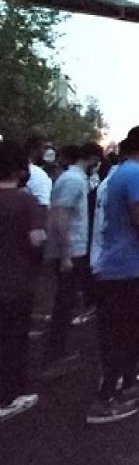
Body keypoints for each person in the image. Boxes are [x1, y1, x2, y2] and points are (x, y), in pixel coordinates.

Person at [90, 125, 139, 424]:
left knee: (127, 331)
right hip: (123, 268)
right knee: (119, 334)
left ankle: (129, 385)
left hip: (116, 265)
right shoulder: (136, 176)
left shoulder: (119, 174)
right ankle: (104, 399)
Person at [41, 143, 104, 376]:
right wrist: (66, 254)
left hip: (72, 250)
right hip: (70, 252)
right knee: (63, 305)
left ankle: (58, 354)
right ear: (90, 158)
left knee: (65, 303)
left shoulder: (73, 179)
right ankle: (53, 358)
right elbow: (60, 217)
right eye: (96, 160)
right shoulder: (74, 180)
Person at [0, 141, 46, 422]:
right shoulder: (25, 200)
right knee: (14, 340)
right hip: (16, 282)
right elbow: (36, 239)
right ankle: (9, 396)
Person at [24, 136, 52, 219]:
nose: (45, 152)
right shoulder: (38, 174)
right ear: (35, 149)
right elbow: (42, 207)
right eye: (44, 148)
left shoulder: (13, 171)